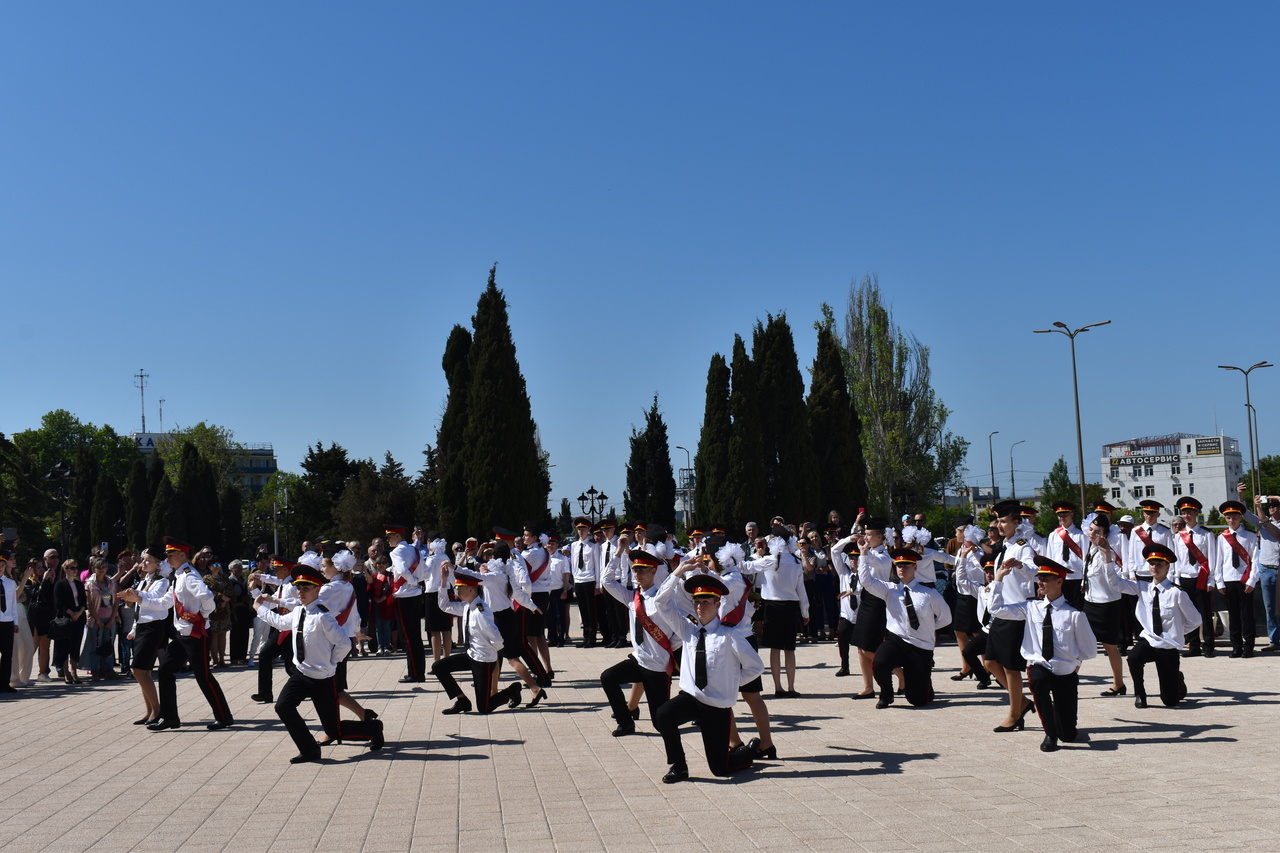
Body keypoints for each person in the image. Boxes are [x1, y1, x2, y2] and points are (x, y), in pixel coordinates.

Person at [253, 562, 384, 763]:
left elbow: (343, 643)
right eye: (298, 588)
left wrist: (331, 662)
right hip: (300, 674)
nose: (301, 592)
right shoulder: (298, 612)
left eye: (306, 588)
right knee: (283, 707)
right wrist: (259, 607)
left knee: (334, 730)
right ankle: (309, 750)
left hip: (322, 679)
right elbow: (280, 623)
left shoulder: (323, 617)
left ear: (317, 589)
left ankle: (373, 728)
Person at [652, 573, 763, 784]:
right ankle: (679, 766)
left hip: (716, 706)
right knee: (664, 714)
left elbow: (755, 666)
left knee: (720, 770)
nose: (700, 606)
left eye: (706, 602)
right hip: (691, 698)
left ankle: (748, 752)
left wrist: (731, 684)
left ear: (717, 604)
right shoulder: (688, 629)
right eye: (696, 602)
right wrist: (678, 572)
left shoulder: (730, 635)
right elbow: (661, 602)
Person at [989, 556, 1097, 752]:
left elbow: (1089, 649)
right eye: (1040, 578)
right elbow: (996, 609)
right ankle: (1049, 733)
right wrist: (999, 579)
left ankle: (1060, 725)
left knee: (1069, 735)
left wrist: (1075, 663)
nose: (1041, 582)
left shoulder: (1074, 614)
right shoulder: (1031, 607)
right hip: (1040, 666)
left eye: (1046, 578)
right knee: (1037, 680)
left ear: (1059, 581)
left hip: (1065, 672)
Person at [148, 537, 233, 731]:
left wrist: (203, 616)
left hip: (196, 634)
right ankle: (170, 718)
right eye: (166, 555)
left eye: (170, 555)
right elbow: (165, 603)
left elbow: (207, 596)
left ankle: (224, 716)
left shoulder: (189, 575)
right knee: (165, 671)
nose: (167, 558)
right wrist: (138, 598)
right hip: (181, 634)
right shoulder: (178, 576)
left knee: (203, 676)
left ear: (182, 555)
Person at [599, 550, 680, 736]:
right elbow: (607, 581)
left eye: (642, 571)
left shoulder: (663, 598)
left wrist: (669, 652)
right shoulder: (632, 597)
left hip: (658, 667)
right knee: (608, 677)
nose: (637, 575)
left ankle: (696, 712)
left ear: (653, 571)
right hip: (638, 660)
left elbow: (681, 630)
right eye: (635, 571)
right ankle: (625, 723)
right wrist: (618, 553)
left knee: (660, 723)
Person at [859, 547, 951, 709]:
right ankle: (886, 694)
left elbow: (946, 618)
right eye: (899, 566)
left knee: (917, 700)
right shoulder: (890, 590)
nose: (902, 569)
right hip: (896, 640)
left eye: (906, 566)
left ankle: (925, 685)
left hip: (920, 645)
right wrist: (863, 554)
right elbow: (866, 581)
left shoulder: (928, 593)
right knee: (880, 662)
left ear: (915, 567)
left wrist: (928, 627)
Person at [1121, 543, 1203, 709]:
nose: (1155, 568)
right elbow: (1115, 583)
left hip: (1168, 645)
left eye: (1160, 564)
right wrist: (1107, 557)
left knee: (1170, 701)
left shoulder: (1176, 592)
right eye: (1152, 564)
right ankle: (1140, 694)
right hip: (1149, 639)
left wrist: (1177, 631)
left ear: (1167, 567)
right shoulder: (1142, 588)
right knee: (1134, 657)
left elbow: (1196, 620)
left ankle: (1177, 680)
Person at [433, 568, 525, 714]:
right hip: (471, 655)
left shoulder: (481, 611)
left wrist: (495, 656)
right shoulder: (467, 607)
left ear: (471, 590)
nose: (457, 592)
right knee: (438, 667)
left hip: (483, 659)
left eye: (460, 589)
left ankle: (512, 690)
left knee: (484, 708)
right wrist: (443, 582)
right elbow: (445, 606)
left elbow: (495, 636)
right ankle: (462, 700)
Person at [987, 502, 1038, 732]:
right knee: (989, 662)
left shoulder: (1021, 545)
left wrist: (1020, 566)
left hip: (1016, 612)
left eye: (1004, 521)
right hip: (1001, 609)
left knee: (1010, 667)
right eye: (998, 521)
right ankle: (1023, 702)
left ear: (1016, 523)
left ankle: (1014, 714)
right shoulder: (1004, 546)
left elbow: (1034, 570)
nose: (1000, 525)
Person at [745, 524, 808, 697]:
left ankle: (778, 687)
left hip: (772, 607)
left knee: (775, 649)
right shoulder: (795, 561)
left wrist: (755, 556)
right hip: (790, 607)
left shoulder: (769, 560)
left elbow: (746, 568)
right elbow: (800, 589)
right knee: (789, 649)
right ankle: (791, 687)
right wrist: (805, 611)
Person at [119, 549, 170, 725]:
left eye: (148, 560)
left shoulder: (162, 582)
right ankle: (149, 710)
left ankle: (157, 709)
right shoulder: (143, 581)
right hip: (142, 627)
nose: (144, 563)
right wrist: (133, 628)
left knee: (138, 670)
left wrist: (136, 596)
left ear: (158, 564)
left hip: (153, 628)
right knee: (144, 671)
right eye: (143, 560)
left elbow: (156, 599)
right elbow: (138, 609)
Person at [1082, 516, 1128, 696]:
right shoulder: (1091, 549)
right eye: (1091, 530)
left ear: (1106, 535)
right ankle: (1067, 681)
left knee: (1110, 647)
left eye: (1098, 532)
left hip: (1107, 605)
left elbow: (1113, 579)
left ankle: (1119, 684)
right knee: (1079, 644)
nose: (1093, 534)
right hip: (1090, 603)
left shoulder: (1109, 552)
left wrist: (1107, 554)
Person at [1170, 496, 1218, 658]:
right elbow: (1175, 560)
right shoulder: (1178, 536)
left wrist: (1211, 579)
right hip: (1184, 578)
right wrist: (1175, 579)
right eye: (1184, 512)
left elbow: (1212, 557)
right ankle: (1194, 645)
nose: (1186, 515)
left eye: (1189, 512)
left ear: (1196, 513)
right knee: (1188, 613)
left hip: (1201, 577)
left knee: (1205, 612)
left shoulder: (1206, 534)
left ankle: (1209, 645)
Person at [1213, 500, 1258, 657]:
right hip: (1229, 579)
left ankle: (1249, 646)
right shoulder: (1222, 537)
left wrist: (1252, 580)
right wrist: (1219, 581)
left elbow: (1255, 560)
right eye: (1228, 518)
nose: (1231, 521)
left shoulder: (1250, 536)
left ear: (1240, 517)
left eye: (1234, 517)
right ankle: (1236, 646)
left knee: (1247, 614)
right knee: (1233, 615)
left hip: (1245, 580)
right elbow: (1218, 561)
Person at [387, 524, 427, 683]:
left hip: (404, 596)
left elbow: (403, 570)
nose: (389, 540)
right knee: (415, 635)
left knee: (408, 637)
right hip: (415, 595)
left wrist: (413, 580)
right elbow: (421, 567)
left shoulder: (396, 551)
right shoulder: (413, 549)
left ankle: (415, 673)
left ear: (398, 536)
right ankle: (418, 671)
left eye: (390, 536)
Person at [1242, 486, 1280, 653]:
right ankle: (1274, 639)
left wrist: (1265, 500)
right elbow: (1244, 513)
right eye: (1269, 505)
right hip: (1267, 568)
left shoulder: (1266, 523)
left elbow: (1269, 527)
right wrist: (1241, 495)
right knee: (1270, 607)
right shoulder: (1263, 521)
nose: (1271, 507)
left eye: (1274, 505)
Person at [82, 556, 119, 681]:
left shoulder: (111, 583)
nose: (101, 569)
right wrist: (97, 619)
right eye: (98, 567)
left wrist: (113, 618)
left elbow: (116, 602)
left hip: (109, 618)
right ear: (94, 569)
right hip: (96, 619)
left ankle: (108, 669)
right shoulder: (90, 584)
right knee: (95, 645)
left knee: (108, 644)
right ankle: (95, 670)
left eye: (103, 567)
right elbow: (89, 604)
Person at [53, 558, 87, 684]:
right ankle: (66, 672)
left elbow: (84, 601)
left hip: (79, 617)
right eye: (72, 568)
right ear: (65, 570)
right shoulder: (60, 584)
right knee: (64, 646)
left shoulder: (79, 584)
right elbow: (58, 602)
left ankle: (74, 671)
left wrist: (79, 612)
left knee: (76, 644)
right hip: (66, 618)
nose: (75, 571)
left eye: (76, 568)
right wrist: (70, 612)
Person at [1048, 502, 1087, 607]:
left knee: (1078, 608)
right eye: (1060, 515)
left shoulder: (1081, 535)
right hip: (1059, 578)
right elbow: (1050, 558)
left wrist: (1085, 579)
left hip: (1076, 577)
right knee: (1061, 608)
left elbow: (1086, 559)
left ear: (1072, 515)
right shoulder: (1053, 535)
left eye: (1065, 515)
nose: (1062, 518)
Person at [569, 518, 601, 647]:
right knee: (582, 609)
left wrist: (598, 584)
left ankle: (592, 637)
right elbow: (574, 565)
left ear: (588, 530)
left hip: (590, 579)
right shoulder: (574, 545)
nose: (581, 531)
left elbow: (598, 566)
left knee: (591, 610)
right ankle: (585, 636)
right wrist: (574, 580)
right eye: (579, 529)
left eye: (583, 529)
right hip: (579, 580)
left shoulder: (593, 546)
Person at [0, 548, 17, 693]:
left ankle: (4, 683)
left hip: (7, 621)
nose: (0, 568)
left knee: (7, 654)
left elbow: (12, 605)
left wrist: (15, 622)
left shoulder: (10, 583)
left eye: (2, 565)